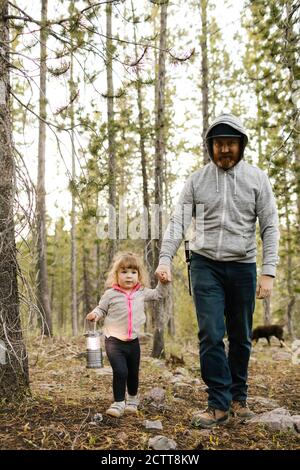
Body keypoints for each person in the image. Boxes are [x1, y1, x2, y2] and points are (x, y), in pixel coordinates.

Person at [155, 113, 279, 429]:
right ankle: (218, 404)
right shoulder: (197, 180)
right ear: (210, 147)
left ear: (241, 146)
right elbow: (177, 222)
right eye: (219, 144)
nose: (225, 150)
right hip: (205, 264)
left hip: (243, 266)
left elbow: (269, 225)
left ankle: (239, 399)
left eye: (231, 144)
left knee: (240, 336)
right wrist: (165, 258)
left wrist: (269, 271)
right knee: (211, 333)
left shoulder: (257, 179)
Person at [86, 252, 169, 418]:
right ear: (116, 275)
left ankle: (132, 399)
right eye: (124, 272)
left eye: (133, 272)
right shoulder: (110, 294)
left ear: (138, 275)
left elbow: (158, 294)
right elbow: (101, 309)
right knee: (121, 371)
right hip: (113, 341)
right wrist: (95, 314)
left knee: (133, 373)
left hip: (133, 342)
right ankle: (118, 402)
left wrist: (163, 282)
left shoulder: (141, 292)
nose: (129, 276)